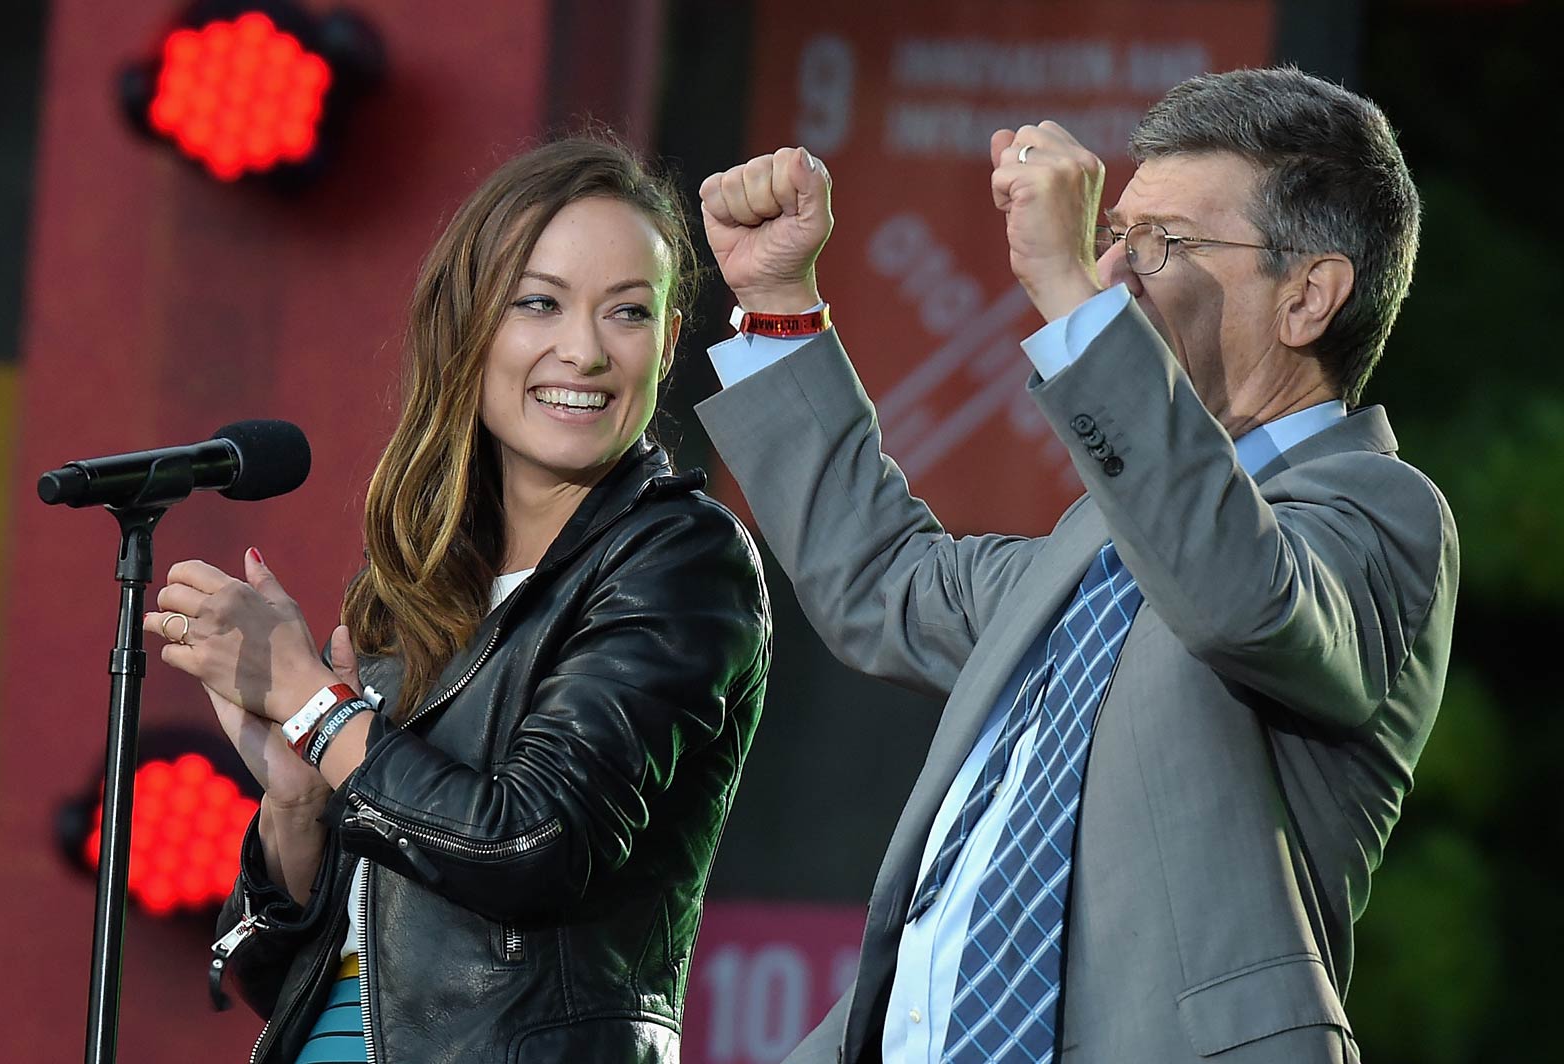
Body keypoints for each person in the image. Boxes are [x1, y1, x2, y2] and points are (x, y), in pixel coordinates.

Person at [695, 67, 1455, 1063]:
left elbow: (1241, 600)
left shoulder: (1376, 511)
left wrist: (1066, 297)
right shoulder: (1097, 543)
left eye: (1162, 242)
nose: (1117, 270)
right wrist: (778, 302)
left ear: (1307, 297)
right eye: (1116, 235)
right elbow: (883, 580)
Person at [143, 135, 771, 1063]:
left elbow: (531, 843)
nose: (584, 350)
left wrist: (318, 711)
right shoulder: (415, 584)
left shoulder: (681, 559)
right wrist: (296, 802)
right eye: (539, 302)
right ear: (469, 325)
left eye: (628, 313)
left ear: (669, 340)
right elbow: (282, 981)